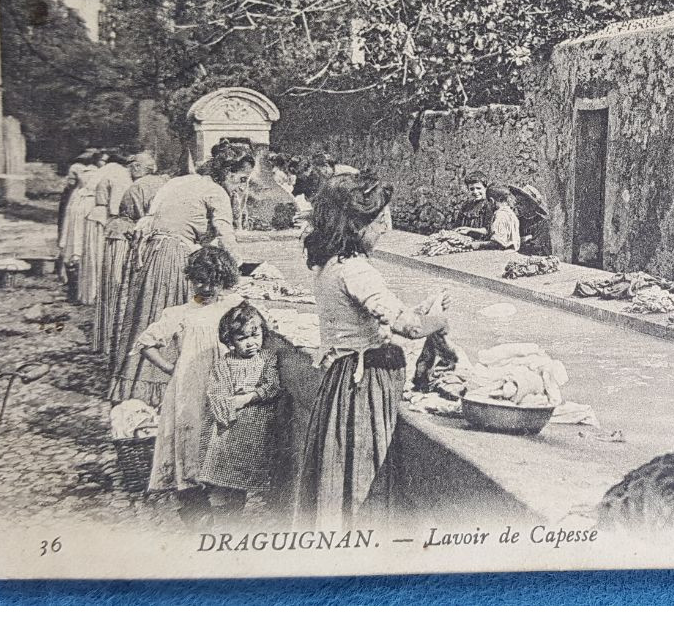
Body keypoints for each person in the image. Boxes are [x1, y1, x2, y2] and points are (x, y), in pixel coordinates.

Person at [296, 172, 451, 528]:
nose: (387, 229)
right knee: (363, 475)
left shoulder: (328, 264)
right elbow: (409, 328)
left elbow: (380, 316)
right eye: (381, 221)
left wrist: (420, 311)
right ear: (355, 224)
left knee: (339, 467)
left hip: (341, 379)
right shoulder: (357, 271)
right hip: (362, 388)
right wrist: (439, 320)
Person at [110, 143, 255, 404]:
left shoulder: (180, 182)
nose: (241, 187)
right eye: (240, 180)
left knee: (149, 315)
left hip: (153, 253)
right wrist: (239, 270)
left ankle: (135, 388)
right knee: (179, 317)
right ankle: (166, 388)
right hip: (176, 256)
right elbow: (225, 234)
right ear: (228, 172)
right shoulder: (215, 191)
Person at [133, 248, 245, 524]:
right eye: (199, 281)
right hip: (190, 389)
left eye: (213, 282)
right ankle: (194, 503)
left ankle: (228, 497)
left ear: (225, 281)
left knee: (224, 435)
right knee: (192, 437)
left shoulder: (234, 308)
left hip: (225, 386)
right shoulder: (180, 313)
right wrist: (173, 369)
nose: (206, 288)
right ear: (190, 280)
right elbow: (145, 343)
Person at [197, 303, 282, 516]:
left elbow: (272, 387)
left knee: (240, 480)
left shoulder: (267, 359)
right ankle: (220, 513)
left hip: (253, 429)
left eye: (255, 335)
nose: (251, 343)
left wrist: (245, 398)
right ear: (230, 341)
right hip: (228, 429)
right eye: (242, 339)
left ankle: (234, 513)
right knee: (220, 477)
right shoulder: (224, 364)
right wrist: (227, 409)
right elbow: (217, 394)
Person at [104, 153, 168, 371]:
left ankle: (126, 359)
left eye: (132, 167)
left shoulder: (136, 188)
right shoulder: (166, 183)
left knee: (130, 300)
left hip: (140, 245)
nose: (130, 171)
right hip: (163, 246)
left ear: (139, 168)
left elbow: (129, 216)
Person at [86, 150, 133, 353]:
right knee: (114, 279)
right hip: (112, 223)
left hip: (105, 219)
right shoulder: (121, 176)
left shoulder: (114, 172)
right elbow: (115, 208)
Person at [58, 150, 103, 296]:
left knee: (74, 239)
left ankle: (73, 284)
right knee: (85, 240)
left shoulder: (79, 170)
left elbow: (70, 186)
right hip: (90, 205)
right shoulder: (100, 172)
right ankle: (84, 284)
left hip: (77, 203)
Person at [508, 184, 553, 256]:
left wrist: (521, 241)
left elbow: (539, 245)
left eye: (521, 204)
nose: (517, 207)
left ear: (532, 206)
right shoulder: (518, 220)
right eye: (517, 203)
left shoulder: (541, 222)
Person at [475, 185, 522, 250]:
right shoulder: (511, 213)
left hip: (503, 253)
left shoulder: (500, 215)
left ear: (491, 201)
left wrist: (477, 244)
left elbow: (498, 243)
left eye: (488, 202)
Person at [453, 172, 494, 236]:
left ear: (485, 188)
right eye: (472, 189)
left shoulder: (489, 205)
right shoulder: (466, 205)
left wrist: (470, 230)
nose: (475, 192)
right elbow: (457, 225)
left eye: (478, 188)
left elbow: (489, 230)